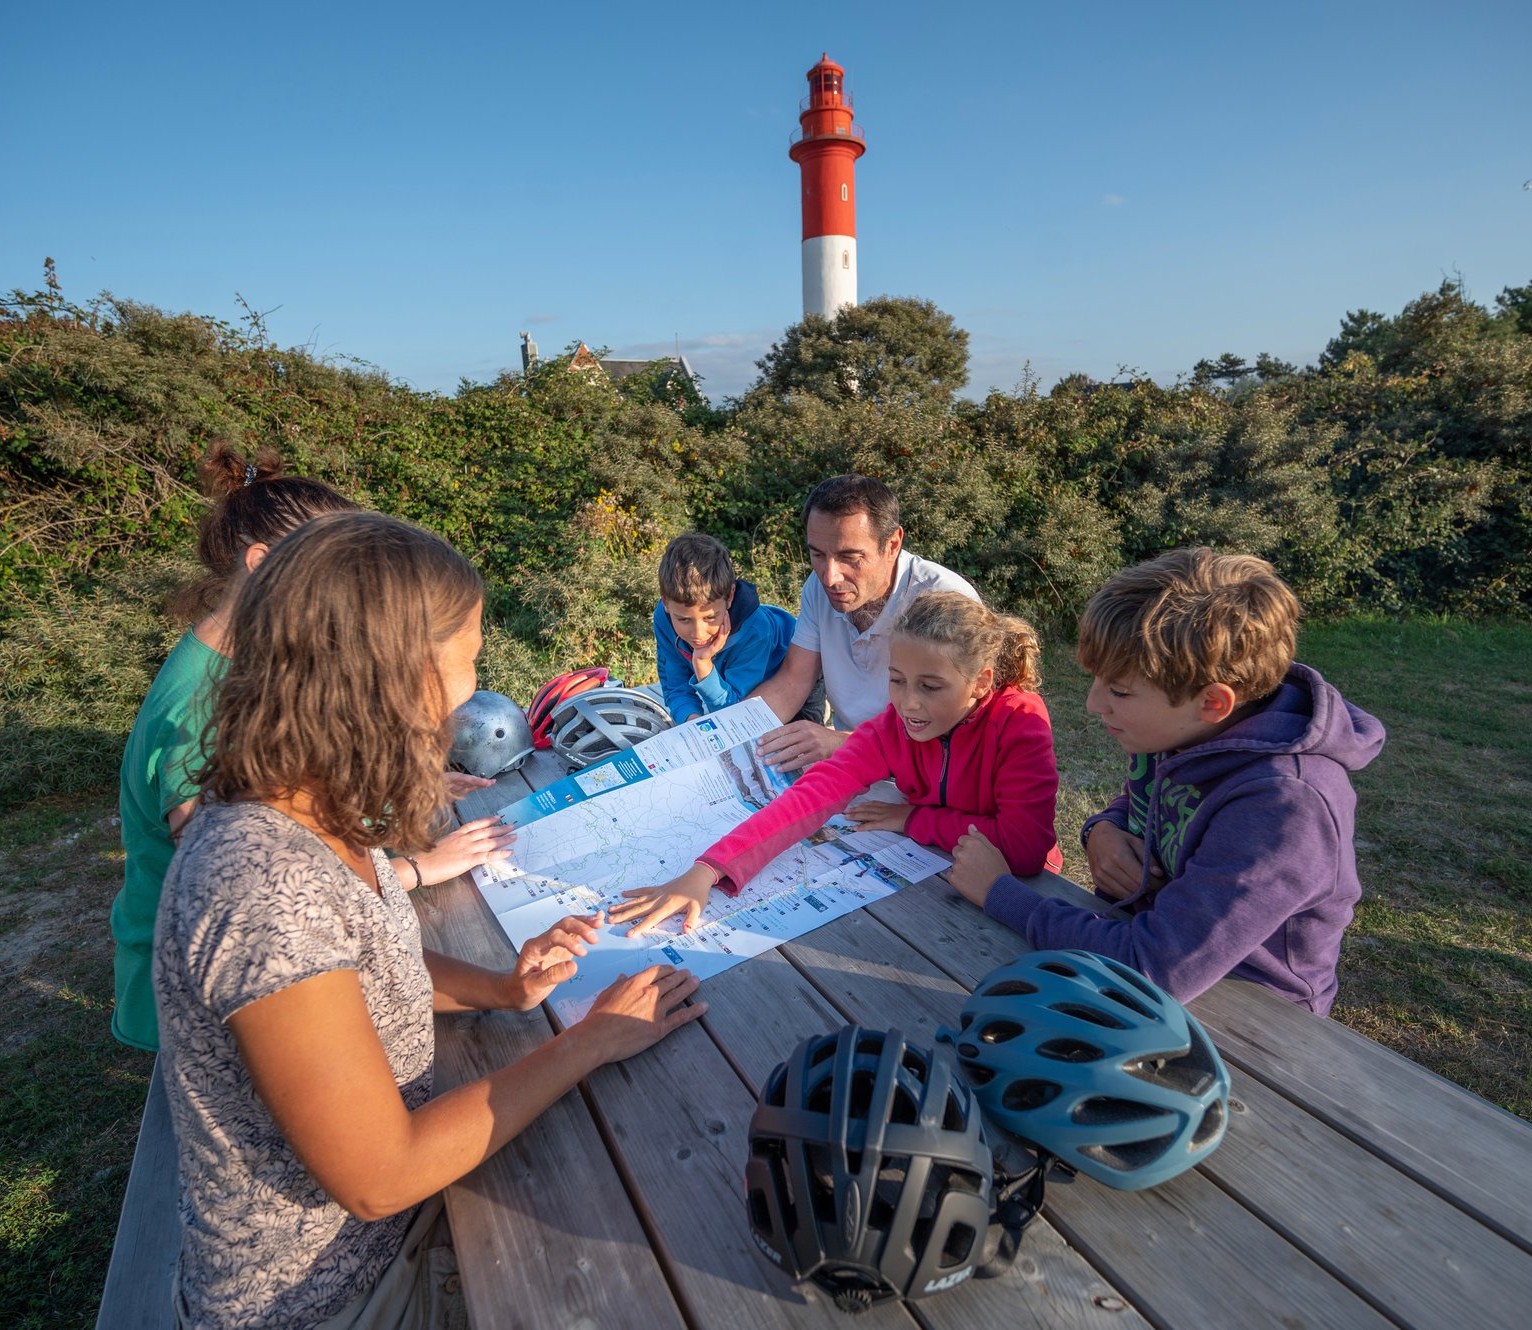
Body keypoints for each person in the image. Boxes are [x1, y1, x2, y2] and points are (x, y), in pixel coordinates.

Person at [154, 511, 705, 1329]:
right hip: (333, 1296)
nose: (471, 695)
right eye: (468, 661)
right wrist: (590, 1039)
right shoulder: (260, 884)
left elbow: (366, 960)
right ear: (394, 677)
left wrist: (501, 989)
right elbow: (381, 1173)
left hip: (386, 1243)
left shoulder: (308, 811)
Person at [111, 447, 514, 1053]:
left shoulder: (244, 670)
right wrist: (418, 868)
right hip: (211, 1007)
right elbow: (247, 892)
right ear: (265, 567)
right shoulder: (204, 713)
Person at [946, 548, 1386, 1015]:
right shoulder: (1188, 729)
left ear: (1214, 702)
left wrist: (1003, 895)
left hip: (1244, 1014)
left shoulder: (1286, 805)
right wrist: (1102, 830)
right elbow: (1152, 800)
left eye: (1118, 691)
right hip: (1137, 955)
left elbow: (1150, 966)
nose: (1094, 704)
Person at [610, 592, 1058, 936]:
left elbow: (1023, 849)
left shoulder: (1020, 722)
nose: (908, 704)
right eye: (897, 681)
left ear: (980, 682)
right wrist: (708, 870)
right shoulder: (893, 726)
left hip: (1021, 901)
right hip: (935, 883)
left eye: (931, 686)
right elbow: (809, 799)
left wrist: (915, 819)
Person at [748, 474, 977, 774]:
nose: (830, 577)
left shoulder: (943, 600)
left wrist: (842, 743)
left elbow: (959, 728)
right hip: (854, 764)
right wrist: (727, 733)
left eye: (849, 557)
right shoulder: (817, 590)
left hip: (927, 776)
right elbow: (793, 680)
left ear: (892, 545)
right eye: (817, 554)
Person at [651, 531, 812, 724]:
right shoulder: (663, 617)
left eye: (710, 617)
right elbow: (676, 686)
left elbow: (735, 715)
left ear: (729, 597)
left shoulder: (757, 631)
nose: (698, 634)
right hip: (732, 684)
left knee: (792, 744)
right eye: (684, 620)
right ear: (665, 602)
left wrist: (703, 665)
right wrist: (692, 722)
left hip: (790, 668)